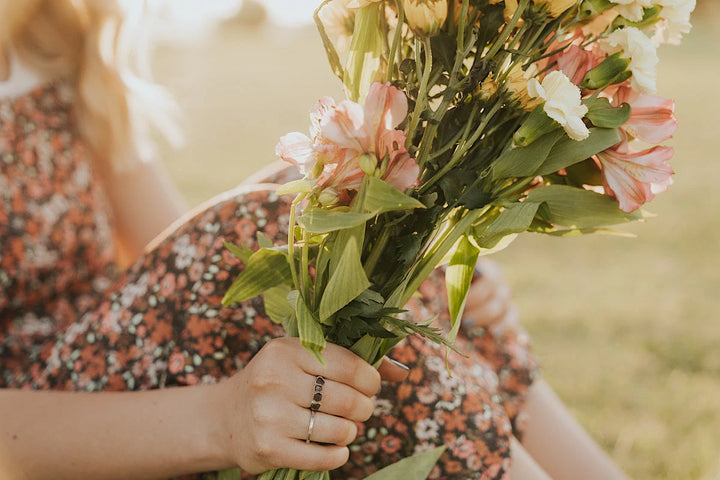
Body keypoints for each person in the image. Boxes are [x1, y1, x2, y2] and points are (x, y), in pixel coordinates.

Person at [0, 1, 629, 479]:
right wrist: (222, 419)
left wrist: (429, 264)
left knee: (360, 236)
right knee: (324, 252)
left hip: (102, 347)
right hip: (43, 412)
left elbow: (177, 251)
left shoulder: (53, 45)